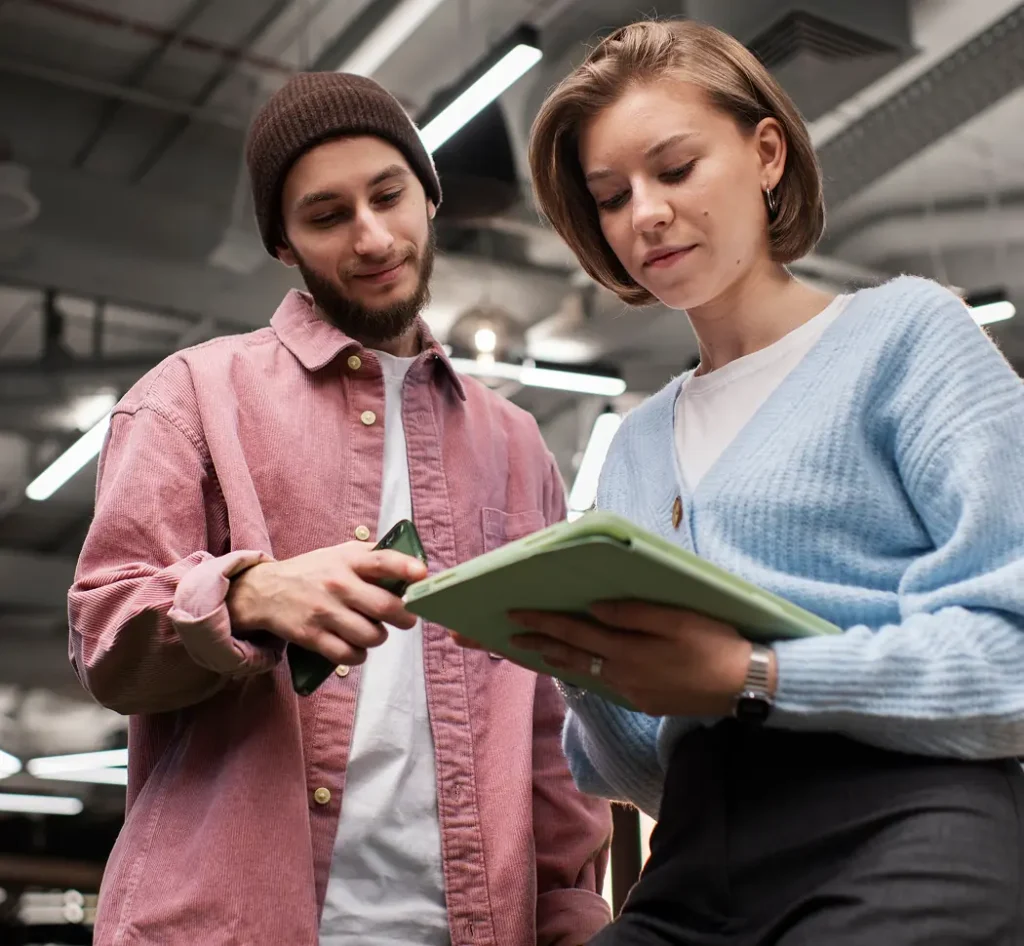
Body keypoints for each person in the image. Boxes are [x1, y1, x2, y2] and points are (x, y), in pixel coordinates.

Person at [469, 18, 1024, 945]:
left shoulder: (907, 337)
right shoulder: (638, 443)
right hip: (693, 856)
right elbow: (644, 761)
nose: (643, 214)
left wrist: (751, 672)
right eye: (611, 196)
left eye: (675, 170)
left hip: (904, 825)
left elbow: (1012, 655)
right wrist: (574, 653)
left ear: (767, 153)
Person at [69, 72, 612, 946]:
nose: (371, 236)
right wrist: (245, 598)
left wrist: (574, 911)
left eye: (389, 195)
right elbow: (104, 639)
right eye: (326, 216)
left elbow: (545, 719)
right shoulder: (191, 398)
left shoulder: (516, 448)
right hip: (230, 925)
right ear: (283, 243)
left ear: (429, 198)